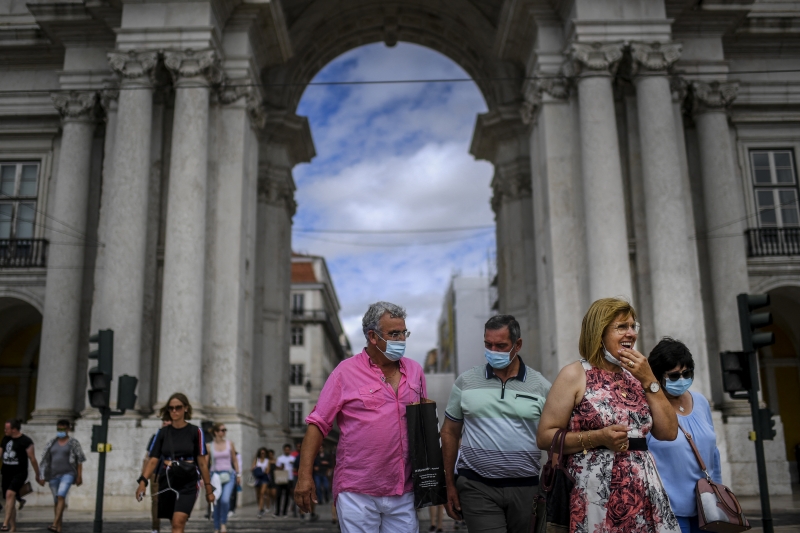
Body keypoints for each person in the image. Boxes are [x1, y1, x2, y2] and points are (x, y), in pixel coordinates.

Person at [537, 297, 680, 533]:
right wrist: (599, 438)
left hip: (643, 491)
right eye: (621, 327)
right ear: (599, 333)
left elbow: (668, 432)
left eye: (633, 326)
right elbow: (545, 437)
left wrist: (649, 380)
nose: (631, 334)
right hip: (595, 492)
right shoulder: (574, 374)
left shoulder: (639, 376)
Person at [295, 301, 427, 533]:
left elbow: (424, 422)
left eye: (403, 332)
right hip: (357, 491)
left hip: (404, 489)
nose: (401, 340)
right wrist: (304, 476)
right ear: (372, 336)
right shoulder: (344, 372)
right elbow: (317, 424)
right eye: (394, 333)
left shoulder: (415, 371)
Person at [441, 315, 552, 532]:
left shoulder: (541, 386)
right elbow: (449, 433)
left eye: (501, 346)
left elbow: (554, 438)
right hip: (476, 487)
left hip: (526, 489)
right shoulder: (466, 382)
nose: (493, 351)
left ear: (517, 344)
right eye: (488, 344)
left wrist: (553, 486)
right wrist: (448, 485)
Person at [647, 338, 723, 533]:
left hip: (706, 507)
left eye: (687, 373)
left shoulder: (701, 401)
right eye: (673, 376)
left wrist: (719, 495)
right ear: (657, 376)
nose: (681, 380)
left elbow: (713, 453)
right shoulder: (648, 408)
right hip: (668, 510)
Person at [136, 393, 214, 533]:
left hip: (189, 480)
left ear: (185, 408)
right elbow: (153, 460)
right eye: (171, 408)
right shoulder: (162, 433)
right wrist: (142, 482)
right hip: (168, 479)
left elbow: (202, 463)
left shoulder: (196, 432)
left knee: (178, 522)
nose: (174, 411)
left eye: (178, 407)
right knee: (174, 524)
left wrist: (208, 489)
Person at [40, 420, 86, 533]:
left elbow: (80, 460)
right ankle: (58, 528)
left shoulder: (73, 443)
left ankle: (54, 524)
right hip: (53, 475)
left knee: (61, 496)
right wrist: (42, 475)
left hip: (68, 474)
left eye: (62, 429)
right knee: (57, 501)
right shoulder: (51, 443)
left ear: (68, 429)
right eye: (58, 429)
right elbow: (45, 460)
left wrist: (79, 476)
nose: (60, 431)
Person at [2, 418, 41, 532]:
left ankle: (5, 523)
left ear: (14, 429)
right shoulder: (5, 439)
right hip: (6, 473)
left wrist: (38, 474)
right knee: (10, 500)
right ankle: (13, 527)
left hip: (19, 473)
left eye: (7, 429)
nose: (5, 430)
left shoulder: (26, 441)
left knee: (10, 494)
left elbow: (32, 459)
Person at [207, 423, 240, 533]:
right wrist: (203, 478)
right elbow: (205, 463)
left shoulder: (230, 444)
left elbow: (234, 460)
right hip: (214, 475)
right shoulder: (209, 446)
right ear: (216, 432)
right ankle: (217, 527)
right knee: (216, 502)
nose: (224, 432)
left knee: (225, 500)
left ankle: (223, 523)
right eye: (222, 430)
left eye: (225, 430)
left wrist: (238, 474)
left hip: (229, 475)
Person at [145, 418, 172, 533]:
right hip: (156, 473)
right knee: (156, 501)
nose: (165, 422)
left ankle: (176, 527)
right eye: (164, 420)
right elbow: (148, 456)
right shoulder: (155, 437)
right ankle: (155, 528)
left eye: (168, 420)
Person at [274, 444, 294, 516]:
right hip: (281, 478)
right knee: (278, 495)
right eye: (286, 449)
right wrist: (281, 467)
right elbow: (277, 468)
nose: (287, 451)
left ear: (290, 450)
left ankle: (285, 512)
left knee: (287, 496)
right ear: (284, 450)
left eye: (288, 449)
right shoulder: (280, 458)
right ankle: (277, 511)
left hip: (289, 478)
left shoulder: (293, 458)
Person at [252, 447, 270, 517]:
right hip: (257, 478)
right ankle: (261, 507)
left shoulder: (267, 460)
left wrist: (261, 470)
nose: (262, 454)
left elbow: (268, 470)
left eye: (264, 453)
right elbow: (252, 468)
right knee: (258, 495)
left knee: (262, 493)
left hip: (264, 478)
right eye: (261, 453)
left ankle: (260, 509)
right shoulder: (256, 460)